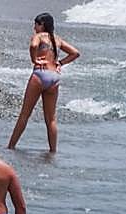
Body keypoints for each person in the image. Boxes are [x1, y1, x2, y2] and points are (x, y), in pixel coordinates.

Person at [7, 14, 79, 152]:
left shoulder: (39, 37)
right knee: (51, 119)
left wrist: (34, 60)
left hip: (40, 75)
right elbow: (75, 53)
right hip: (54, 77)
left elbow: (33, 45)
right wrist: (60, 63)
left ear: (43, 25)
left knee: (25, 114)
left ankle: (11, 146)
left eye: (36, 24)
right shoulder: (57, 39)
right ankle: (53, 151)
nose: (34, 27)